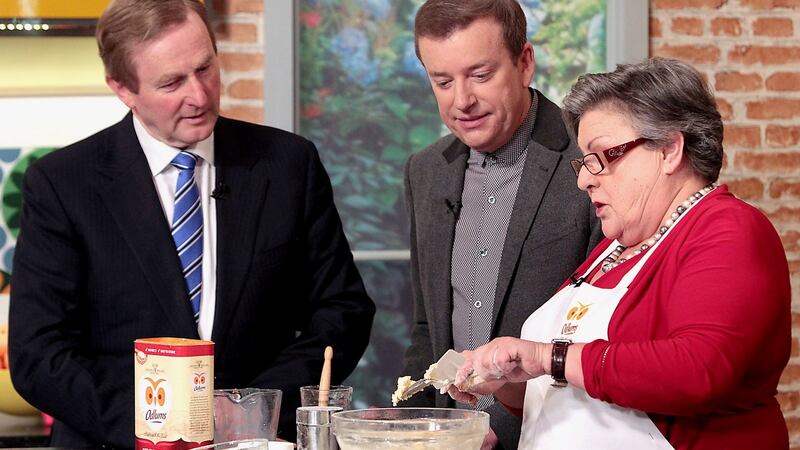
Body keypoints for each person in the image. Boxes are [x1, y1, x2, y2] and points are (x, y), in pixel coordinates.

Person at [8, 0, 375, 447]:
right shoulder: (62, 184)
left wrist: (251, 411)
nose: (200, 96)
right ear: (123, 88)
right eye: (172, 83)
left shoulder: (287, 165)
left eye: (205, 68)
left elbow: (343, 311)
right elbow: (38, 353)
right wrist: (156, 426)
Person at [447, 57, 791, 449]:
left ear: (669, 150)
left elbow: (698, 370)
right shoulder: (611, 251)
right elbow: (569, 399)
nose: (583, 179)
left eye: (602, 156)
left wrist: (546, 357)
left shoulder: (727, 227)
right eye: (583, 160)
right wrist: (510, 381)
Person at [400, 0, 602, 448]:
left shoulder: (590, 158)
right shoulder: (425, 171)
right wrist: (416, 431)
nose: (461, 101)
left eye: (480, 75)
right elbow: (426, 329)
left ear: (525, 62)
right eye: (443, 81)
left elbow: (607, 336)